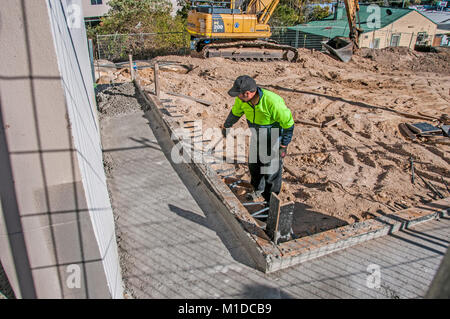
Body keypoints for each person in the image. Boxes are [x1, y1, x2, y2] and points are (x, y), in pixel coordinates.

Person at [222, 75, 294, 204]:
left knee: (271, 171)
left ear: (247, 93)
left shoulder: (272, 102)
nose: (237, 97)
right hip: (256, 134)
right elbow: (236, 113)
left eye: (238, 94)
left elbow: (288, 124)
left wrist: (284, 145)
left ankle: (270, 201)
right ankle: (257, 190)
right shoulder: (242, 101)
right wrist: (227, 125)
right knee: (254, 165)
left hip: (273, 135)